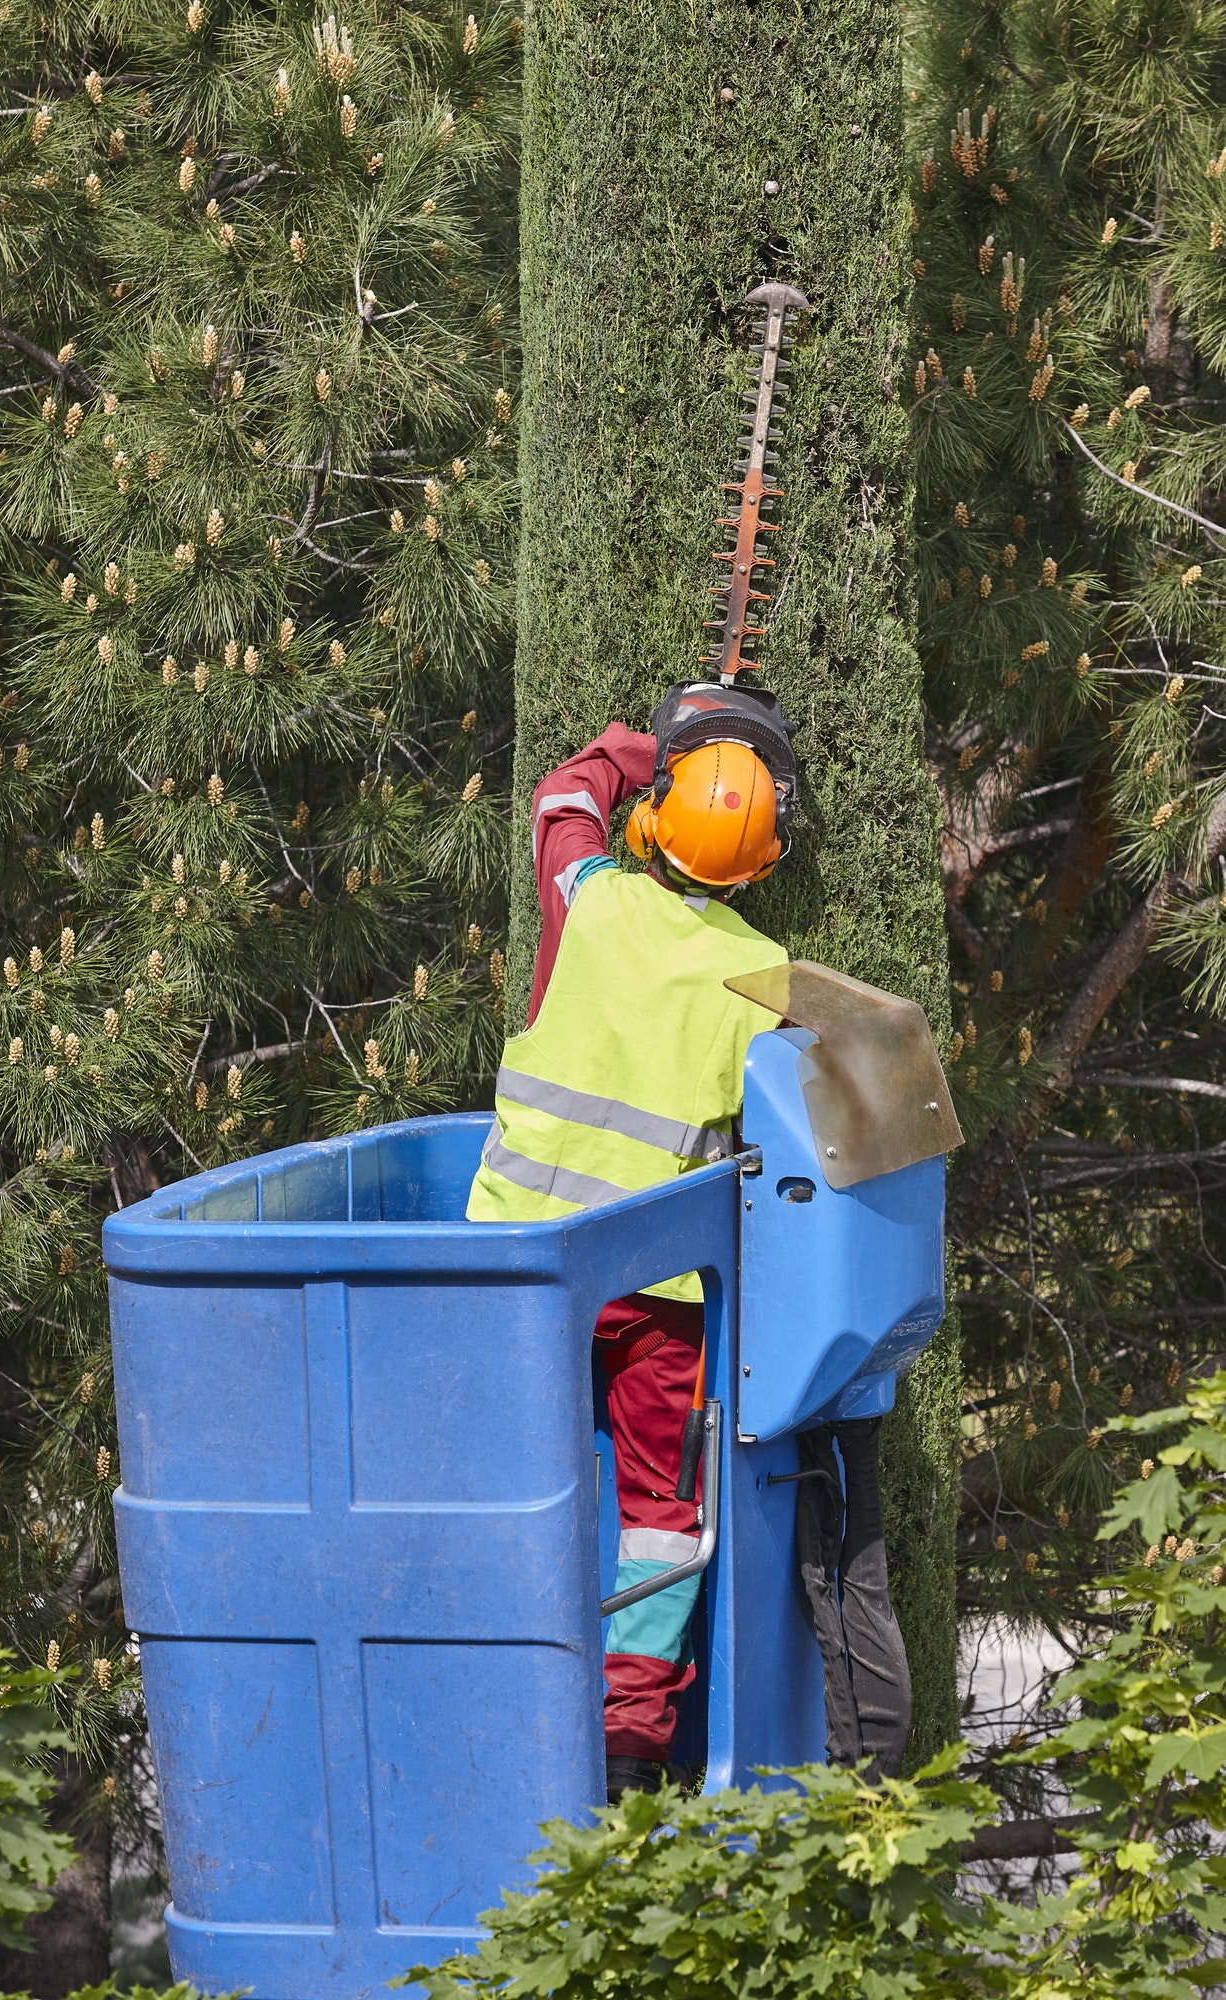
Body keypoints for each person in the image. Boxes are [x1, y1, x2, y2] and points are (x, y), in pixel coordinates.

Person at [465, 681, 800, 1799]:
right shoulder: (765, 982)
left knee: (505, 1478)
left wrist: (641, 744)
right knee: (663, 1514)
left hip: (518, 1274)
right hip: (663, 1300)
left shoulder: (592, 901)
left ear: (650, 817)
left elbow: (561, 797)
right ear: (763, 859)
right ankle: (628, 1734)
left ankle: (487, 1681)